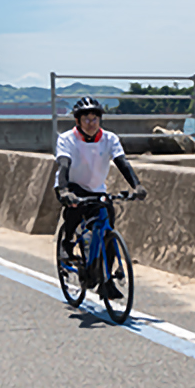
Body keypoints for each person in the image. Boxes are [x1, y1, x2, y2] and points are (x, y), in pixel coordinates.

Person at [54, 96, 146, 301]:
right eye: (86, 119)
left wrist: (137, 185)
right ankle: (67, 242)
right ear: (77, 121)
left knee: (108, 231)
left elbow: (122, 162)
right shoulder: (67, 139)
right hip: (70, 185)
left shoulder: (109, 139)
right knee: (75, 210)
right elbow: (63, 165)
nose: (91, 123)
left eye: (95, 118)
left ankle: (106, 282)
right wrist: (64, 191)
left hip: (97, 190)